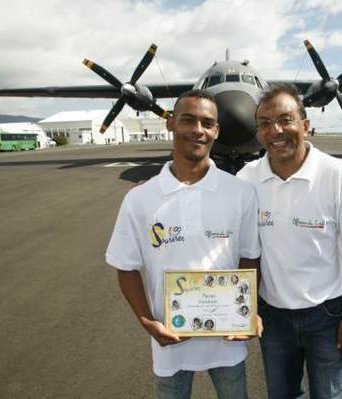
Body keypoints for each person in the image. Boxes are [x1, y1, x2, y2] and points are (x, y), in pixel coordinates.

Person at [105, 89, 261, 399]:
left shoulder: (240, 192)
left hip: (227, 340)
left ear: (216, 130)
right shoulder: (139, 199)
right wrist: (148, 321)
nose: (198, 130)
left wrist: (248, 311)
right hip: (170, 341)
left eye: (207, 122)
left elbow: (250, 257)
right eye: (188, 120)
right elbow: (125, 266)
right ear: (171, 123)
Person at [237, 83, 342, 399]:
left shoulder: (336, 174)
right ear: (258, 133)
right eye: (264, 123)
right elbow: (244, 248)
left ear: (305, 125)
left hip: (326, 316)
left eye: (285, 119)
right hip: (272, 317)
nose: (275, 130)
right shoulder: (246, 179)